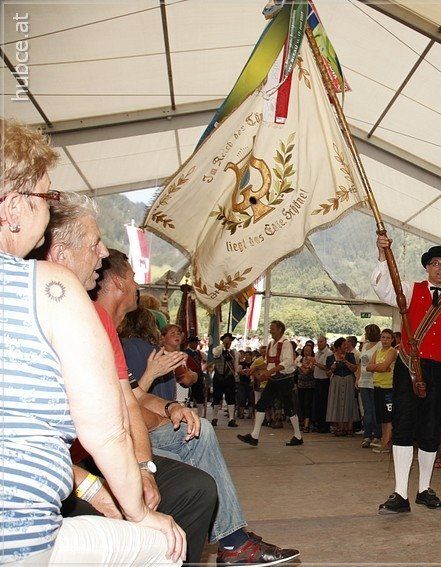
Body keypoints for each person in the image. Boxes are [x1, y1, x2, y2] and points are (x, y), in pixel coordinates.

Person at [0, 119, 183, 564]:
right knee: (166, 543)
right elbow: (103, 428)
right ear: (14, 207)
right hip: (18, 538)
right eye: (46, 197)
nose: (49, 210)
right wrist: (140, 514)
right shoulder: (48, 287)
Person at [94, 251, 298, 566]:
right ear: (119, 283)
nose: (138, 285)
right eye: (133, 277)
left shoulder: (108, 329)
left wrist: (171, 407)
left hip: (129, 431)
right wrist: (155, 435)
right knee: (199, 445)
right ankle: (232, 540)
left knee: (199, 432)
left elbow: (136, 395)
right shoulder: (98, 326)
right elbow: (125, 406)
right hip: (106, 443)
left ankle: (232, 538)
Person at [371, 237, 441, 514]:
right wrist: (383, 255)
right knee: (403, 424)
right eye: (436, 263)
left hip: (439, 370)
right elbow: (383, 288)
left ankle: (424, 489)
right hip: (408, 366)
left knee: (432, 427)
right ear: (427, 267)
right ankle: (400, 493)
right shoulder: (410, 289)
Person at [239, 321, 303, 447]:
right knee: (261, 405)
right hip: (274, 380)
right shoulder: (270, 344)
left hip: (285, 379)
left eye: (272, 328)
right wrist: (256, 368)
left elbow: (287, 363)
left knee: (289, 408)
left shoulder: (286, 344)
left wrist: (268, 373)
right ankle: (254, 436)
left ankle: (298, 436)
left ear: (280, 329)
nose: (270, 330)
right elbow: (268, 362)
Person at [367, 329, 397, 453]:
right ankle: (384, 441)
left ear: (392, 340)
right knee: (381, 417)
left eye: (388, 338)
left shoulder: (392, 351)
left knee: (388, 417)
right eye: (383, 337)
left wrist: (377, 367)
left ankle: (387, 443)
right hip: (377, 386)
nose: (385, 340)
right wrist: (379, 367)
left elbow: (385, 367)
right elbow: (368, 367)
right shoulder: (377, 351)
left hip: (388, 388)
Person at [325, 337, 360, 436]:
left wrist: (346, 362)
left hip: (348, 379)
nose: (346, 346)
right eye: (344, 344)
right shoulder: (330, 358)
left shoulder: (350, 356)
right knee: (337, 402)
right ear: (338, 347)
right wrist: (332, 368)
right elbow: (327, 374)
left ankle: (349, 427)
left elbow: (354, 369)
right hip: (336, 380)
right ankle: (339, 427)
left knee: (349, 402)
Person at [358, 325, 382, 448]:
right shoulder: (365, 345)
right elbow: (360, 363)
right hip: (364, 381)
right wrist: (358, 378)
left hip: (374, 381)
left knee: (375, 409)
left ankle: (377, 434)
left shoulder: (380, 345)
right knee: (367, 409)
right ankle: (367, 435)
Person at [210, 332, 239, 427]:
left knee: (231, 398)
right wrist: (223, 346)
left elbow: (235, 365)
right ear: (222, 340)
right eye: (226, 339)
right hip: (218, 377)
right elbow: (216, 353)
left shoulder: (234, 353)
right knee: (217, 397)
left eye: (230, 340)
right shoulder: (217, 349)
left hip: (229, 377)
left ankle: (231, 419)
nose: (228, 341)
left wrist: (235, 375)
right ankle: (214, 418)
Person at [311, 335, 333, 433]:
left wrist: (316, 363)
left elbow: (327, 367)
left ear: (325, 342)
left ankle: (324, 426)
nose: (319, 343)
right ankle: (319, 424)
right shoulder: (317, 353)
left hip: (324, 380)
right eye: (318, 342)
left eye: (321, 341)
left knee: (323, 404)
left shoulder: (328, 353)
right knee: (317, 404)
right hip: (317, 379)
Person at [296, 341, 316, 433]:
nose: (307, 352)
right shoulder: (301, 359)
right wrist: (301, 365)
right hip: (300, 384)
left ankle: (307, 424)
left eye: (309, 350)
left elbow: (306, 372)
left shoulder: (313, 359)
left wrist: (300, 365)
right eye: (305, 350)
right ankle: (302, 421)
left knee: (307, 404)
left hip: (309, 385)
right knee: (301, 404)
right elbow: (295, 364)